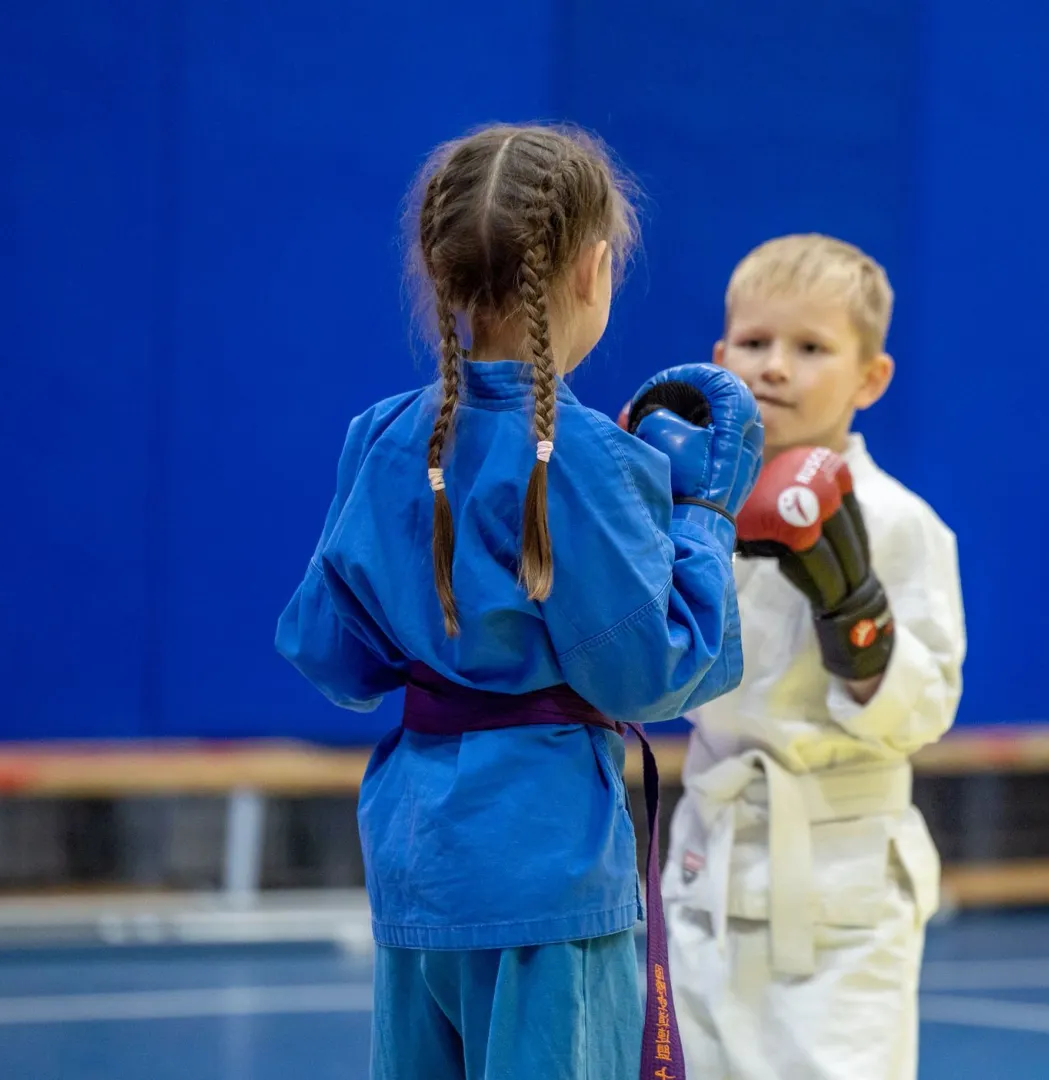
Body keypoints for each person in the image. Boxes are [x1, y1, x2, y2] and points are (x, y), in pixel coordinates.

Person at [276, 123, 762, 1080]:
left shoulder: (382, 436)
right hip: (545, 860)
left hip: (420, 860)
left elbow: (327, 650)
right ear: (593, 268)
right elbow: (652, 671)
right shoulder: (585, 455)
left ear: (442, 271)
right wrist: (703, 518)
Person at [661, 233, 968, 1080]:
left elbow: (927, 710)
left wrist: (854, 614)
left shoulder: (901, 523)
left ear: (870, 378)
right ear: (720, 360)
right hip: (706, 872)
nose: (775, 368)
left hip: (843, 887)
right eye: (755, 345)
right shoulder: (693, 513)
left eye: (810, 347)